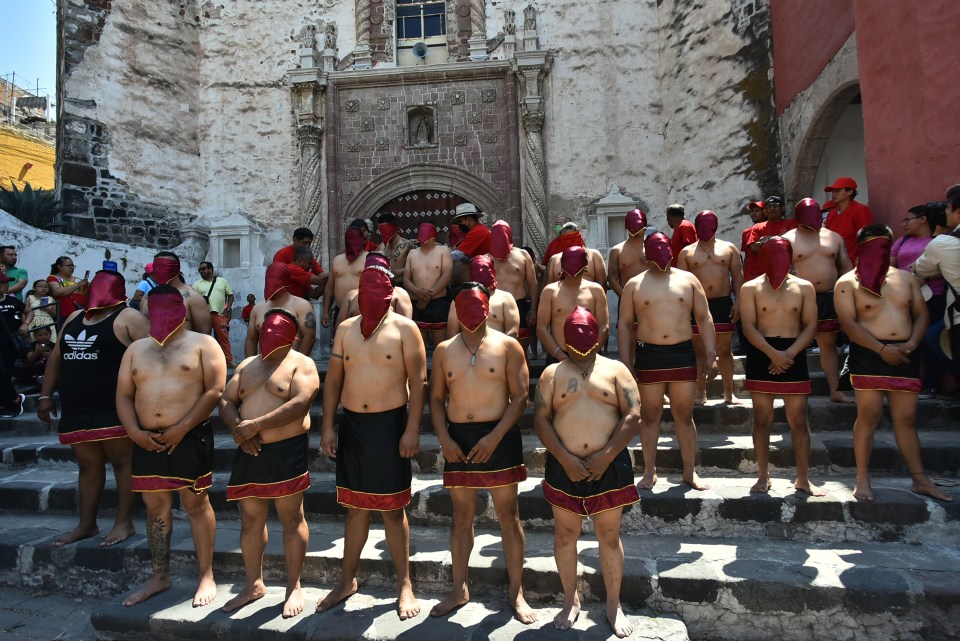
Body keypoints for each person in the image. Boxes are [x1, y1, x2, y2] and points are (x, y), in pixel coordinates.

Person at [318, 256, 427, 620]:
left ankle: (404, 584)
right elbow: (333, 380)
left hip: (389, 425)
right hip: (353, 426)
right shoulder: (346, 328)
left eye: (376, 290)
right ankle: (348, 579)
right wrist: (327, 426)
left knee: (393, 511)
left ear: (390, 295)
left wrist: (412, 429)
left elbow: (418, 382)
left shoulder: (404, 329)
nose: (369, 295)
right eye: (364, 289)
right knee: (355, 509)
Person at [428, 284, 535, 623]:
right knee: (461, 518)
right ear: (455, 310)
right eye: (463, 305)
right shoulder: (444, 350)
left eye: (477, 304)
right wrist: (444, 437)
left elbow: (520, 397)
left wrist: (495, 437)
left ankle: (516, 592)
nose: (471, 312)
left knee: (509, 516)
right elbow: (434, 398)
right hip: (458, 437)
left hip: (499, 435)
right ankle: (458, 587)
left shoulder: (508, 346)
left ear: (488, 307)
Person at [534, 307, 640, 638]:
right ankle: (570, 600)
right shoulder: (551, 374)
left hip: (609, 466)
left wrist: (606, 455)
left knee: (609, 537)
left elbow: (633, 414)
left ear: (598, 338)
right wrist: (565, 458)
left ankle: (613, 603)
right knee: (565, 536)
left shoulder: (616, 369)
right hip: (563, 467)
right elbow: (540, 418)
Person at [118, 285, 227, 606]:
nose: (158, 315)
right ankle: (159, 574)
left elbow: (215, 390)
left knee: (195, 504)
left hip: (190, 436)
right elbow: (124, 394)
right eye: (152, 309)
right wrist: (134, 431)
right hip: (146, 439)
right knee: (155, 508)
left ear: (180, 310)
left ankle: (206, 574)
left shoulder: (203, 344)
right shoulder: (136, 349)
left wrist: (182, 427)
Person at [834, 225, 952, 503]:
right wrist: (880, 348)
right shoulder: (847, 283)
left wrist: (910, 345)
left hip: (904, 353)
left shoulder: (907, 279)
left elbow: (921, 315)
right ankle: (862, 478)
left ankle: (920, 479)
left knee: (907, 418)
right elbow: (849, 324)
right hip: (868, 354)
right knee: (869, 415)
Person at [36, 270, 150, 546]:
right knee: (88, 465)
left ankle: (124, 522)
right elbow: (56, 359)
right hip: (77, 405)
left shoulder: (130, 318)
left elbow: (153, 357)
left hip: (115, 405)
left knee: (124, 463)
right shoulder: (76, 318)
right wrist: (44, 395)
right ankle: (86, 524)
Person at [220, 309, 320, 618]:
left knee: (291, 519)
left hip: (286, 451)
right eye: (266, 326)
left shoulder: (302, 364)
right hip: (248, 449)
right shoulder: (248, 364)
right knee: (250, 520)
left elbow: (301, 402)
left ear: (294, 336)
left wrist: (256, 424)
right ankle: (253, 584)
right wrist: (239, 429)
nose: (269, 332)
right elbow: (225, 400)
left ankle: (294, 586)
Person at [618, 232, 711, 490]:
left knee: (684, 414)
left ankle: (690, 472)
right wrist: (626, 360)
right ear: (645, 254)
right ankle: (649, 471)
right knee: (650, 416)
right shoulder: (634, 285)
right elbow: (625, 324)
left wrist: (711, 352)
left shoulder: (689, 280)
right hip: (649, 354)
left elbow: (704, 318)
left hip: (682, 352)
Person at [739, 238, 823, 495]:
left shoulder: (804, 287)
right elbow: (749, 326)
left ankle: (803, 478)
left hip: (793, 352)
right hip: (762, 351)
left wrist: (789, 353)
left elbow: (810, 324)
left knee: (798, 420)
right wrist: (772, 354)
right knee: (762, 418)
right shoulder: (750, 288)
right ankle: (763, 476)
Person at [782, 198, 854, 404]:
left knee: (828, 346)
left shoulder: (834, 238)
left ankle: (835, 390)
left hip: (828, 297)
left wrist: (850, 293)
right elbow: (779, 270)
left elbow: (846, 267)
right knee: (793, 345)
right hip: (797, 297)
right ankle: (793, 390)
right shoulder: (787, 239)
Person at [677, 210, 744, 405]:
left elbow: (738, 276)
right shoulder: (687, 252)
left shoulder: (729, 249)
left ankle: (729, 392)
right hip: (697, 305)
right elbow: (681, 283)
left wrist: (739, 301)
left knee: (725, 350)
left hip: (723, 303)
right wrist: (683, 310)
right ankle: (700, 392)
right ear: (696, 226)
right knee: (699, 351)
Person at [910, 186, 960, 394]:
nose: (944, 213)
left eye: (948, 208)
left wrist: (939, 233)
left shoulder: (943, 243)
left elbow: (920, 269)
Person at [536, 246, 609, 364]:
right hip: (558, 357)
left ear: (585, 267)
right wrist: (560, 356)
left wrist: (590, 355)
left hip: (591, 356)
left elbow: (604, 327)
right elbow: (541, 328)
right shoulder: (550, 291)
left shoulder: (596, 290)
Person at [245, 263, 317, 357]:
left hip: (291, 365)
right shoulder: (257, 309)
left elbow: (309, 337)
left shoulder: (302, 306)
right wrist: (250, 367)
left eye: (275, 279)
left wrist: (299, 365)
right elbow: (251, 340)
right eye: (269, 278)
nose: (271, 283)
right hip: (263, 366)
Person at [490, 220, 539, 352]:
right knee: (495, 347)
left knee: (520, 350)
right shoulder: (486, 258)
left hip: (519, 305)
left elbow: (533, 284)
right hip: (495, 307)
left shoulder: (523, 255)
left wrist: (533, 309)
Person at [403, 220, 453, 346]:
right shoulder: (412, 253)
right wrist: (418, 292)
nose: (424, 242)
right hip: (417, 303)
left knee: (441, 347)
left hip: (437, 303)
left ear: (433, 237)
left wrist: (425, 298)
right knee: (417, 348)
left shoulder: (443, 250)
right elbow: (406, 279)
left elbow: (446, 276)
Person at [139, 252, 212, 335]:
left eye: (163, 267)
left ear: (176, 269)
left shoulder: (193, 298)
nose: (159, 271)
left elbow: (204, 336)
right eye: (156, 267)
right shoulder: (147, 298)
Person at [447, 255, 519, 339]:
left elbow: (513, 331)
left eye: (485, 268)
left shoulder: (505, 298)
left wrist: (501, 347)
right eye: (477, 269)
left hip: (498, 347)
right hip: (467, 348)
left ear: (492, 271)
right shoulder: (459, 299)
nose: (481, 272)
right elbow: (452, 333)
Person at [336, 253, 414, 329]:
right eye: (371, 271)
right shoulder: (351, 295)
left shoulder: (399, 294)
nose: (374, 275)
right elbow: (339, 329)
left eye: (378, 271)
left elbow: (407, 329)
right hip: (355, 340)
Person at [742, 196, 797, 281]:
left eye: (775, 205)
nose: (772, 208)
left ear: (782, 208)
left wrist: (767, 240)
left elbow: (793, 244)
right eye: (768, 206)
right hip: (762, 276)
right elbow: (754, 249)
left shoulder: (791, 223)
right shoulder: (757, 227)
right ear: (765, 211)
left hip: (787, 274)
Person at [321, 227, 367, 328]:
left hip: (363, 311)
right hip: (339, 311)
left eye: (356, 240)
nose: (353, 243)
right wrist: (325, 312)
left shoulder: (369, 259)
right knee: (339, 341)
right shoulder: (337, 260)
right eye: (350, 240)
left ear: (362, 240)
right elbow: (329, 288)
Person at [193, 261, 236, 366]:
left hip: (219, 314)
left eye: (203, 269)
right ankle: (202, 362)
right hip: (203, 315)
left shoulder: (222, 281)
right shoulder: (197, 284)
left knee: (223, 337)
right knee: (203, 338)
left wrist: (229, 308)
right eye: (200, 270)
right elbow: (192, 299)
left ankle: (229, 361)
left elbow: (230, 295)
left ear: (210, 269)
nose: (201, 271)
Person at [0, 273, 31, 417]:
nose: (6, 285)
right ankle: (12, 400)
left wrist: (25, 324)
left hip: (10, 343)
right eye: (2, 283)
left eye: (6, 282)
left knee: (5, 373)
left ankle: (12, 400)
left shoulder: (12, 301)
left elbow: (28, 312)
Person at [824, 177, 873, 262]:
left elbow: (867, 239)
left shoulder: (860, 210)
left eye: (838, 191)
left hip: (853, 264)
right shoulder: (831, 214)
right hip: (834, 264)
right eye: (832, 191)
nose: (833, 194)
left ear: (849, 192)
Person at [607, 209, 650, 300]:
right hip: (626, 298)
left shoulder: (652, 249)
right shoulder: (617, 251)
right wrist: (627, 299)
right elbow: (612, 279)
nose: (635, 229)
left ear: (645, 226)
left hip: (651, 299)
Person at [47, 256, 88, 325]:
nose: (71, 267)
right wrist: (77, 285)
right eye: (69, 265)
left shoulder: (79, 280)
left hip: (81, 314)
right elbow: (56, 292)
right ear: (59, 267)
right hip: (64, 315)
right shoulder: (52, 278)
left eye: (73, 266)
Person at [376, 213, 416, 282]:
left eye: (386, 230)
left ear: (394, 227)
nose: (384, 233)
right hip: (384, 286)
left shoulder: (407, 245)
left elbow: (418, 265)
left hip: (401, 287)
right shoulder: (381, 247)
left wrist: (400, 271)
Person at [740, 201, 767, 282]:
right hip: (751, 276)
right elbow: (747, 256)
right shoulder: (746, 232)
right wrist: (743, 276)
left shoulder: (769, 229)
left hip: (766, 274)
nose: (753, 213)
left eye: (757, 211)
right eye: (752, 211)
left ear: (765, 212)